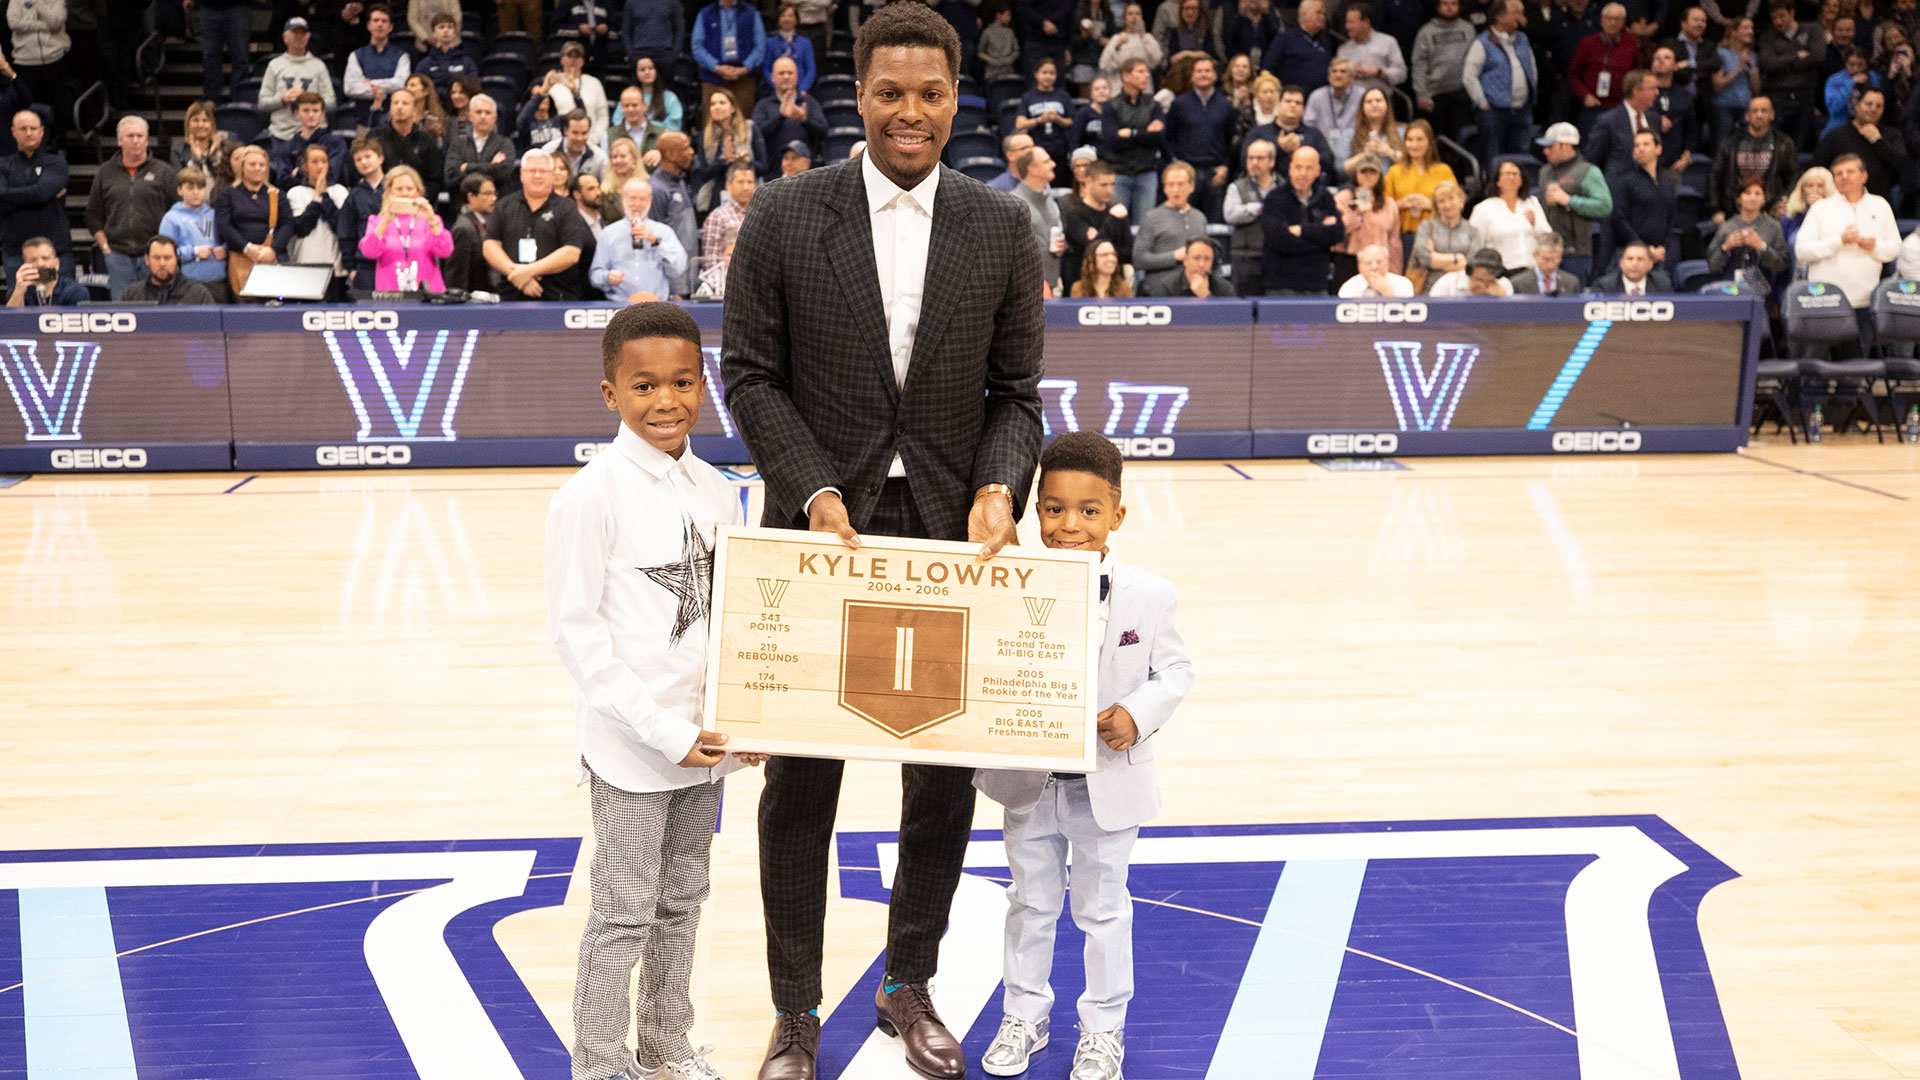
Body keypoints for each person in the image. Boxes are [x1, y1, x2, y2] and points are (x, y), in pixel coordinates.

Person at [720, 6, 1044, 1079]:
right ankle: (797, 1007)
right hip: (822, 533)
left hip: (953, 539)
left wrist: (1001, 485)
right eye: (892, 93)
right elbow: (751, 379)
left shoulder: (1002, 227)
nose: (912, 113)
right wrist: (809, 487)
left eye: (932, 93)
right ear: (856, 95)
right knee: (801, 786)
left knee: (938, 786)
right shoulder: (782, 212)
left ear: (958, 97)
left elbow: (1018, 398)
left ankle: (910, 984)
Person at [545, 302, 756, 1080]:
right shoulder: (589, 496)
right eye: (643, 386)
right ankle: (599, 1064)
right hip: (633, 748)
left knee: (683, 901)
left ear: (704, 385)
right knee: (623, 912)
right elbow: (577, 637)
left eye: (681, 382)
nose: (665, 401)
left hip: (706, 745)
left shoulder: (715, 488)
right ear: (610, 394)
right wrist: (663, 731)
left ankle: (667, 1045)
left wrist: (748, 715)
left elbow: (734, 619)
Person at [975, 432, 1194, 1080]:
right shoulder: (1005, 584)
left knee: (1103, 910)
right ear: (1033, 511)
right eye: (1053, 509)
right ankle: (1025, 1015)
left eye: (1088, 511)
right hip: (1030, 779)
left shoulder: (1149, 595)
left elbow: (1175, 671)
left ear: (1117, 516)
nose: (1070, 525)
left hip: (1108, 782)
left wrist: (1139, 713)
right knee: (1030, 903)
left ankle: (1103, 1030)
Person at [1794, 153, 1900, 337]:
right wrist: (1839, 241)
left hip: (1865, 301)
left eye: (1850, 171)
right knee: (1819, 362)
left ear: (1863, 176)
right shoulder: (1821, 208)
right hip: (1824, 301)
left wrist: (1875, 246)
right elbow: (1801, 251)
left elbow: (1894, 248)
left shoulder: (1880, 205)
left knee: (1859, 364)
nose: (1844, 176)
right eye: (1838, 173)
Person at [87, 116, 179, 301]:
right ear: (120, 140)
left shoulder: (164, 171)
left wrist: (164, 250)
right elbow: (92, 216)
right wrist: (106, 249)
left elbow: (176, 211)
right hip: (117, 256)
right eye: (130, 136)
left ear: (147, 140)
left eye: (140, 135)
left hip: (154, 256)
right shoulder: (105, 172)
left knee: (157, 311)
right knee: (123, 311)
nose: (135, 140)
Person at [485, 149, 594, 300]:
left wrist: (528, 272)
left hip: (557, 298)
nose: (537, 176)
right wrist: (516, 275)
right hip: (511, 297)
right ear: (522, 174)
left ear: (551, 175)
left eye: (542, 171)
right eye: (532, 171)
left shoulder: (567, 207)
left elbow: (571, 252)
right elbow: (490, 246)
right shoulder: (504, 206)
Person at [1535, 123, 1613, 284]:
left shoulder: (1588, 171)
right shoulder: (1544, 171)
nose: (1545, 151)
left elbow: (1605, 206)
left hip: (1575, 251)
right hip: (1546, 249)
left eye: (1550, 146)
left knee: (1572, 297)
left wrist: (1569, 200)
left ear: (1566, 145)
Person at [590, 176, 688, 300]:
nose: (637, 204)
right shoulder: (609, 233)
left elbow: (679, 268)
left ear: (650, 201)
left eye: (642, 199)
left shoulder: (664, 231)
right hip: (619, 308)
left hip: (656, 307)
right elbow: (595, 276)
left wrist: (655, 241)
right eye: (632, 199)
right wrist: (607, 277)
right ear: (623, 199)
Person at [356, 164, 452, 291]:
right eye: (399, 189)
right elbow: (369, 252)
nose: (405, 193)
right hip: (390, 293)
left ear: (418, 191)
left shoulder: (431, 220)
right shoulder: (377, 221)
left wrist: (432, 220)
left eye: (410, 188)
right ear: (389, 191)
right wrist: (385, 222)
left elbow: (445, 252)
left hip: (428, 292)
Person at [1262, 144, 1343, 294]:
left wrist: (1302, 230)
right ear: (1291, 168)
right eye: (1298, 167)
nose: (1303, 173)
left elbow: (1337, 233)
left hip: (1317, 285)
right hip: (1281, 285)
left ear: (1317, 171)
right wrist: (1320, 239)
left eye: (1309, 168)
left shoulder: (1325, 197)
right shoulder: (1274, 198)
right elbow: (1278, 240)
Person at [1165, 55, 1237, 220]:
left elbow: (1232, 140)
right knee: (1183, 221)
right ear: (1192, 76)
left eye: (1207, 71)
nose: (1203, 74)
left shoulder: (1226, 105)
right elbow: (1168, 138)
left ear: (1215, 75)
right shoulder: (1179, 104)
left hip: (1215, 173)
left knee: (1215, 225)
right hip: (1187, 173)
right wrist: (1176, 163)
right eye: (1199, 71)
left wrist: (1225, 166)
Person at [0, 110, 70, 277]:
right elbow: (40, 193)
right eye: (23, 128)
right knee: (21, 299)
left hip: (53, 252)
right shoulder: (3, 165)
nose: (28, 133)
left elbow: (41, 193)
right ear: (13, 132)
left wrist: (8, 194)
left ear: (42, 131)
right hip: (16, 253)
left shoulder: (56, 163)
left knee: (55, 299)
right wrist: (40, 194)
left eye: (33, 128)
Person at [216, 146, 289, 293]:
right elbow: (224, 225)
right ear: (242, 167)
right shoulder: (227, 194)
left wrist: (272, 250)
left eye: (262, 165)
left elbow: (288, 224)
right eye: (252, 164)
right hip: (240, 258)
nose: (258, 168)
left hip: (272, 258)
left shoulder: (277, 195)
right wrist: (247, 248)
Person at [1101, 59, 1167, 223]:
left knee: (1144, 225)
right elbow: (1112, 140)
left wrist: (1131, 133)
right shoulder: (1111, 106)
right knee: (1117, 222)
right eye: (1140, 71)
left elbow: (1158, 138)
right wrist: (1145, 133)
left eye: (1147, 72)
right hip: (1119, 172)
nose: (1146, 76)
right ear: (1126, 76)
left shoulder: (1153, 104)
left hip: (1147, 172)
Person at [1712, 96, 1798, 220]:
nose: (1759, 115)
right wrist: (1716, 209)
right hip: (1734, 211)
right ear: (1747, 115)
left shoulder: (1784, 143)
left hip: (1771, 212)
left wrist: (1782, 200)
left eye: (1764, 111)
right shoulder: (1730, 143)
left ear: (1772, 115)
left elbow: (1794, 177)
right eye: (1754, 111)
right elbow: (1715, 176)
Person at [1812, 86, 1905, 197]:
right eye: (1869, 104)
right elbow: (1817, 168)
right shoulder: (1836, 135)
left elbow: (1903, 167)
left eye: (1879, 106)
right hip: (1840, 200)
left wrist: (1878, 142)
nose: (1874, 109)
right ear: (1857, 106)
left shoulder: (1892, 135)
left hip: (1880, 200)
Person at [1759, 0, 1827, 148]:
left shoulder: (1812, 29)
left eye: (1782, 16)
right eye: (1774, 18)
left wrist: (1782, 64)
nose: (1778, 21)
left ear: (1792, 12)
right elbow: (1769, 64)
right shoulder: (1767, 37)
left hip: (1805, 96)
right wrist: (1797, 55)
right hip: (1777, 97)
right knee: (1774, 145)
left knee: (1801, 144)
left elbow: (1817, 57)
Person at [1059, 158, 1132, 291]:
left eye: (1112, 184)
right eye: (1103, 185)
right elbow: (1090, 253)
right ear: (1088, 182)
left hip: (1114, 287)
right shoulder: (1075, 214)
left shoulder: (1118, 212)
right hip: (1082, 287)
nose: (1110, 190)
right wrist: (1111, 220)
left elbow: (1129, 253)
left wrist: (1098, 239)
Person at [1610, 130, 1679, 272]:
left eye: (1646, 144)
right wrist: (1643, 248)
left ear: (1658, 149)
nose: (1640, 148)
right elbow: (1619, 219)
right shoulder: (1625, 181)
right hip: (1632, 255)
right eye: (1636, 145)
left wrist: (1663, 247)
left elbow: (1671, 217)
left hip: (1660, 256)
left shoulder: (1668, 181)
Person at [259, 19, 336, 142]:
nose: (299, 37)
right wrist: (282, 100)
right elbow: (262, 103)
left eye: (303, 33)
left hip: (314, 134)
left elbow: (331, 103)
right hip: (282, 135)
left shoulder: (319, 65)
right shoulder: (274, 65)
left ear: (308, 37)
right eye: (295, 33)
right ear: (285, 37)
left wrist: (307, 98)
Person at [1707, 178, 1789, 292]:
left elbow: (1781, 264)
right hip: (1730, 289)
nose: (1753, 198)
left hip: (1762, 290)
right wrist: (1725, 247)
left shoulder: (1773, 227)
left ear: (1764, 198)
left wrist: (1762, 247)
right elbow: (1713, 266)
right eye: (1747, 193)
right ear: (1739, 198)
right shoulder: (1726, 227)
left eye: (1758, 193)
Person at [694, 0, 768, 123]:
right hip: (713, 78)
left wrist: (745, 68)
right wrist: (716, 67)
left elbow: (760, 47)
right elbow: (697, 47)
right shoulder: (705, 13)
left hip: (744, 78)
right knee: (711, 124)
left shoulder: (751, 13)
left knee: (743, 124)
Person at [1413, 0, 1477, 142]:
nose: (1450, 8)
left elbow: (1475, 61)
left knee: (1463, 138)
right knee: (1439, 140)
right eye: (1445, 4)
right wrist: (1421, 94)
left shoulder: (1468, 29)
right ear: (1438, 7)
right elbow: (1419, 64)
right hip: (1435, 95)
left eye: (1454, 4)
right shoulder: (1426, 32)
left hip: (1462, 93)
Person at [284, 144, 351, 277]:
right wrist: (316, 198)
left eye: (324, 161)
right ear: (304, 166)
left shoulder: (339, 191)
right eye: (315, 162)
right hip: (305, 264)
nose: (320, 166)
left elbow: (341, 226)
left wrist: (325, 196)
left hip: (335, 268)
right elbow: (302, 228)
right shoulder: (295, 193)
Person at [1134, 161, 1210, 279]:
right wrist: (1173, 256)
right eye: (1170, 184)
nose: (1175, 189)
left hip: (1194, 282)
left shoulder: (1200, 217)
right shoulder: (1151, 218)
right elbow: (1139, 259)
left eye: (1180, 184)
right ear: (1164, 188)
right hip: (1162, 284)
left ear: (1192, 186)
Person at [160, 168, 227, 298]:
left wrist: (225, 250)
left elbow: (230, 240)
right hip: (188, 284)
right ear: (180, 190)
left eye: (200, 188)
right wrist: (194, 251)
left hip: (219, 281)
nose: (196, 192)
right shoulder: (171, 218)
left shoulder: (215, 214)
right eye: (190, 188)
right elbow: (165, 254)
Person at [1385, 120, 1454, 245]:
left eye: (1419, 139)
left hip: (1436, 236)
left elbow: (1455, 206)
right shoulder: (1394, 172)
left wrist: (1431, 205)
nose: (1414, 145)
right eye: (1410, 140)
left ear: (1429, 142)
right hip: (1402, 238)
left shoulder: (1443, 171)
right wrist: (1399, 204)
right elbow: (1382, 208)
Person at [1010, 145, 1068, 292]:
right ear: (1032, 168)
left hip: (1053, 283)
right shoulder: (1013, 202)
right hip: (1024, 288)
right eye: (1047, 161)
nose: (1053, 164)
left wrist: (1062, 246)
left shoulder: (1050, 201)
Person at [1469, 158, 1544, 271]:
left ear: (1521, 181)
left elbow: (1547, 237)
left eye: (1515, 174)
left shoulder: (1532, 202)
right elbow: (1475, 246)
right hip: (1500, 272)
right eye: (1507, 173)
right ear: (1497, 181)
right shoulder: (1483, 209)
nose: (1511, 177)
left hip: (1532, 270)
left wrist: (1534, 224)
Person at [647, 131, 698, 296]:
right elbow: (653, 241)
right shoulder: (656, 189)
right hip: (672, 287)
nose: (691, 152)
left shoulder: (680, 180)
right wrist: (674, 290)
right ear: (670, 155)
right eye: (685, 148)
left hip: (689, 278)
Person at [691, 91, 765, 204]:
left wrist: (747, 161)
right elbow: (704, 175)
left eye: (722, 103)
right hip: (716, 195)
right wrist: (724, 159)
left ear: (733, 108)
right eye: (713, 104)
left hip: (747, 194)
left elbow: (763, 168)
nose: (717, 107)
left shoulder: (750, 128)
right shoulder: (705, 135)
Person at [1568, 3, 1638, 123]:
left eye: (1617, 19)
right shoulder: (1588, 43)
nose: (1612, 23)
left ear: (1623, 22)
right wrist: (1585, 95)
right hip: (1593, 105)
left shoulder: (1631, 43)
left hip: (1621, 106)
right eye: (1609, 18)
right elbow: (1573, 74)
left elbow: (1637, 74)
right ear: (1601, 20)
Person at [374, 88, 446, 204]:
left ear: (415, 109)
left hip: (418, 204)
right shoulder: (375, 137)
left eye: (405, 103)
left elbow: (435, 179)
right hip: (381, 203)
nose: (399, 107)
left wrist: (420, 200)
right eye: (395, 103)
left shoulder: (426, 140)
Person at [754, 56, 827, 168]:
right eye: (781, 73)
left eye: (790, 73)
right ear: (772, 77)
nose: (786, 76)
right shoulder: (763, 105)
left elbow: (823, 132)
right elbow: (757, 136)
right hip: (773, 174)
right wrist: (780, 116)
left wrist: (805, 120)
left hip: (807, 173)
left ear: (797, 76)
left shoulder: (809, 103)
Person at [1409, 179, 1479, 291]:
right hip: (1431, 288)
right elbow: (1424, 258)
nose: (1447, 205)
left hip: (1462, 289)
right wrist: (1458, 258)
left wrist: (1436, 258)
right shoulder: (1427, 227)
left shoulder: (1472, 230)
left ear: (1461, 200)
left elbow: (1472, 262)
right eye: (1441, 201)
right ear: (1436, 205)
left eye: (1451, 199)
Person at [444, 93, 516, 196]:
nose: (483, 116)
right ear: (470, 117)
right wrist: (491, 166)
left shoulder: (505, 144)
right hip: (464, 204)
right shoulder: (458, 144)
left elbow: (502, 174)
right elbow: (450, 177)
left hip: (496, 205)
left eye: (487, 112)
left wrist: (467, 167)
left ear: (495, 118)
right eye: (478, 112)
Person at [344, 4, 411, 116]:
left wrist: (371, 83)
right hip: (363, 116)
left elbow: (402, 84)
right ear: (368, 25)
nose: (380, 24)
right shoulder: (356, 55)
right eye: (376, 20)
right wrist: (381, 90)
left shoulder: (402, 56)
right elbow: (350, 87)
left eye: (384, 21)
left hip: (391, 116)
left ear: (390, 27)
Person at [338, 138, 386, 290]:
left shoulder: (397, 188)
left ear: (380, 158)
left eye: (368, 156)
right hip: (365, 264)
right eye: (358, 159)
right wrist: (350, 267)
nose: (363, 162)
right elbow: (346, 233)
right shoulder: (354, 196)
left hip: (395, 260)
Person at [270, 93, 346, 187]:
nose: (311, 115)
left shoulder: (336, 143)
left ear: (322, 114)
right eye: (306, 110)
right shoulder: (287, 147)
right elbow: (283, 181)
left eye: (315, 110)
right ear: (297, 113)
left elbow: (331, 175)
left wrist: (299, 171)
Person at [548, 41, 611, 149]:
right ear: (562, 59)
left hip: (591, 143)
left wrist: (593, 140)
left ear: (582, 61)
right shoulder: (553, 86)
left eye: (577, 56)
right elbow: (547, 119)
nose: (573, 60)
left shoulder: (594, 83)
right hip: (560, 145)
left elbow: (602, 117)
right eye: (569, 56)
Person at [1018, 56, 1077, 168]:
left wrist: (1058, 119)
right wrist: (1039, 120)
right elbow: (1019, 123)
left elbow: (1072, 121)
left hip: (1060, 150)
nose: (1048, 76)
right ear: (1036, 74)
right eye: (1044, 72)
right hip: (1036, 150)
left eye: (1052, 73)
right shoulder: (1028, 97)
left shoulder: (1063, 95)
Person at [1263, 0, 1333, 94]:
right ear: (1304, 15)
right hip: (1293, 101)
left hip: (1320, 102)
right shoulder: (1285, 39)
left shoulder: (1325, 43)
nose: (1322, 17)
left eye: (1323, 14)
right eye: (1318, 12)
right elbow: (1268, 69)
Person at [122, 235, 216, 304]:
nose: (162, 264)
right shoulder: (133, 294)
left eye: (167, 258)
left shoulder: (198, 293)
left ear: (177, 259)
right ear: (147, 260)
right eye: (156, 258)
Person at [1341, 3, 1409, 96]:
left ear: (1366, 22)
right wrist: (1350, 72)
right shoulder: (1344, 49)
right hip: (1352, 105)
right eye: (1347, 22)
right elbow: (1336, 79)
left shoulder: (1388, 42)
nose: (1347, 26)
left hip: (1380, 103)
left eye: (1351, 22)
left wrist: (1377, 72)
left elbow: (1402, 74)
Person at [1305, 58, 1363, 165]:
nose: (1338, 75)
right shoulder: (1316, 96)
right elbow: (1308, 127)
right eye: (1334, 71)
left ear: (1351, 77)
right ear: (1328, 76)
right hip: (1322, 150)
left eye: (1343, 71)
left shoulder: (1361, 95)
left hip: (1353, 150)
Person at [1714, 16, 1763, 138]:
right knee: (1723, 146)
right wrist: (1739, 68)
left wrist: (1752, 69)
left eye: (1751, 28)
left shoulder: (1753, 56)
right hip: (1724, 107)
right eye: (1746, 28)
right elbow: (1717, 84)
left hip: (1746, 107)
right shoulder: (1721, 53)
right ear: (1733, 32)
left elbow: (1756, 90)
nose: (1751, 31)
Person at [444, 173, 494, 291]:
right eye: (487, 193)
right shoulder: (464, 228)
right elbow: (456, 277)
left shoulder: (488, 221)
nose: (493, 198)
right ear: (471, 196)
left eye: (494, 193)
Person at [197, 0, 254, 101]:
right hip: (209, 6)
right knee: (209, 57)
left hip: (239, 6)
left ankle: (238, 101)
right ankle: (212, 102)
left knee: (241, 57)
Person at [702, 161, 755, 267]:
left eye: (750, 182)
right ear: (728, 185)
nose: (746, 187)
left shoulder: (761, 216)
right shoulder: (717, 217)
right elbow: (711, 262)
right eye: (740, 182)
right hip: (727, 280)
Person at [6, 236, 86, 306]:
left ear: (56, 263)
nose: (40, 264)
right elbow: (9, 321)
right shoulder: (17, 290)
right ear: (25, 264)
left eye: (45, 258)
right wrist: (19, 291)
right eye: (33, 260)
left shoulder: (74, 290)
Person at [416, 12, 477, 97]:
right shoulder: (424, 65)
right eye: (441, 27)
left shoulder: (467, 62)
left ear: (455, 33)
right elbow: (420, 91)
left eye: (450, 27)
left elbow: (473, 88)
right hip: (434, 106)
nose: (446, 30)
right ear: (434, 33)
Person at [1346, 87, 1403, 178]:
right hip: (1360, 186)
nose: (1374, 104)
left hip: (1394, 186)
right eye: (1369, 101)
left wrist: (1389, 152)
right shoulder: (1349, 134)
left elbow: (1413, 162)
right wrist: (1364, 155)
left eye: (1378, 100)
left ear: (1387, 105)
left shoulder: (1402, 132)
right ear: (1362, 107)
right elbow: (1341, 169)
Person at [1101, 4, 1164, 85]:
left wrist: (1143, 35)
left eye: (1137, 14)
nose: (1134, 17)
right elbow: (1104, 64)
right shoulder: (1117, 38)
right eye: (1130, 14)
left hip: (1144, 86)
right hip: (1120, 84)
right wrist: (1116, 47)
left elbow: (1157, 59)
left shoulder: (1147, 37)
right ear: (1124, 19)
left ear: (1142, 18)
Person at [764, 3, 816, 94]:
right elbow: (767, 70)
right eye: (783, 16)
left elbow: (810, 70)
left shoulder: (805, 43)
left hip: (800, 91)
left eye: (790, 16)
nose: (787, 19)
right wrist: (778, 87)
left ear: (796, 20)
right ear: (778, 20)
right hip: (776, 92)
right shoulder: (770, 42)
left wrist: (802, 90)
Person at [548, 108, 610, 182]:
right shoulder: (548, 152)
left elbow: (606, 188)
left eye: (584, 133)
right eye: (575, 133)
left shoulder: (600, 158)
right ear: (566, 131)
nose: (579, 138)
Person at [1587, 239, 1673, 292]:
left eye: (1640, 259)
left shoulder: (1662, 285)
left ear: (1650, 264)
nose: (1634, 264)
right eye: (1630, 259)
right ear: (1621, 263)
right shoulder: (1604, 286)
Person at [1510, 231, 1582, 292]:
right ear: (1535, 255)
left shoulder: (1572, 283)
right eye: (1546, 259)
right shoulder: (1518, 283)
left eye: (1555, 260)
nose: (1550, 265)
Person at [1337, 241, 1415, 295]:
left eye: (1379, 262)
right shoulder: (1349, 287)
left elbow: (1405, 317)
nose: (1374, 267)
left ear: (1387, 263)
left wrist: (1387, 292)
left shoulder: (1403, 284)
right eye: (1368, 263)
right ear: (1359, 266)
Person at [1428, 246, 1515, 294]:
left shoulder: (1504, 285)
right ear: (1469, 273)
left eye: (1489, 282)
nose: (1482, 285)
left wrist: (1501, 300)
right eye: (1479, 279)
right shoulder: (1448, 282)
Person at [170, 102, 226, 176]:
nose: (200, 125)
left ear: (212, 124)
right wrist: (199, 158)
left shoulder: (222, 147)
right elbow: (180, 180)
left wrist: (212, 151)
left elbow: (221, 179)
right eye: (195, 120)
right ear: (188, 124)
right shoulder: (178, 149)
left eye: (205, 120)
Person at [980, 5, 1020, 79]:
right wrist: (993, 61)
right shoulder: (987, 32)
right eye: (1008, 14)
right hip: (992, 72)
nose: (1010, 18)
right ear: (999, 15)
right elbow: (980, 53)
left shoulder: (1010, 32)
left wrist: (1007, 60)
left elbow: (1016, 51)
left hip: (1008, 71)